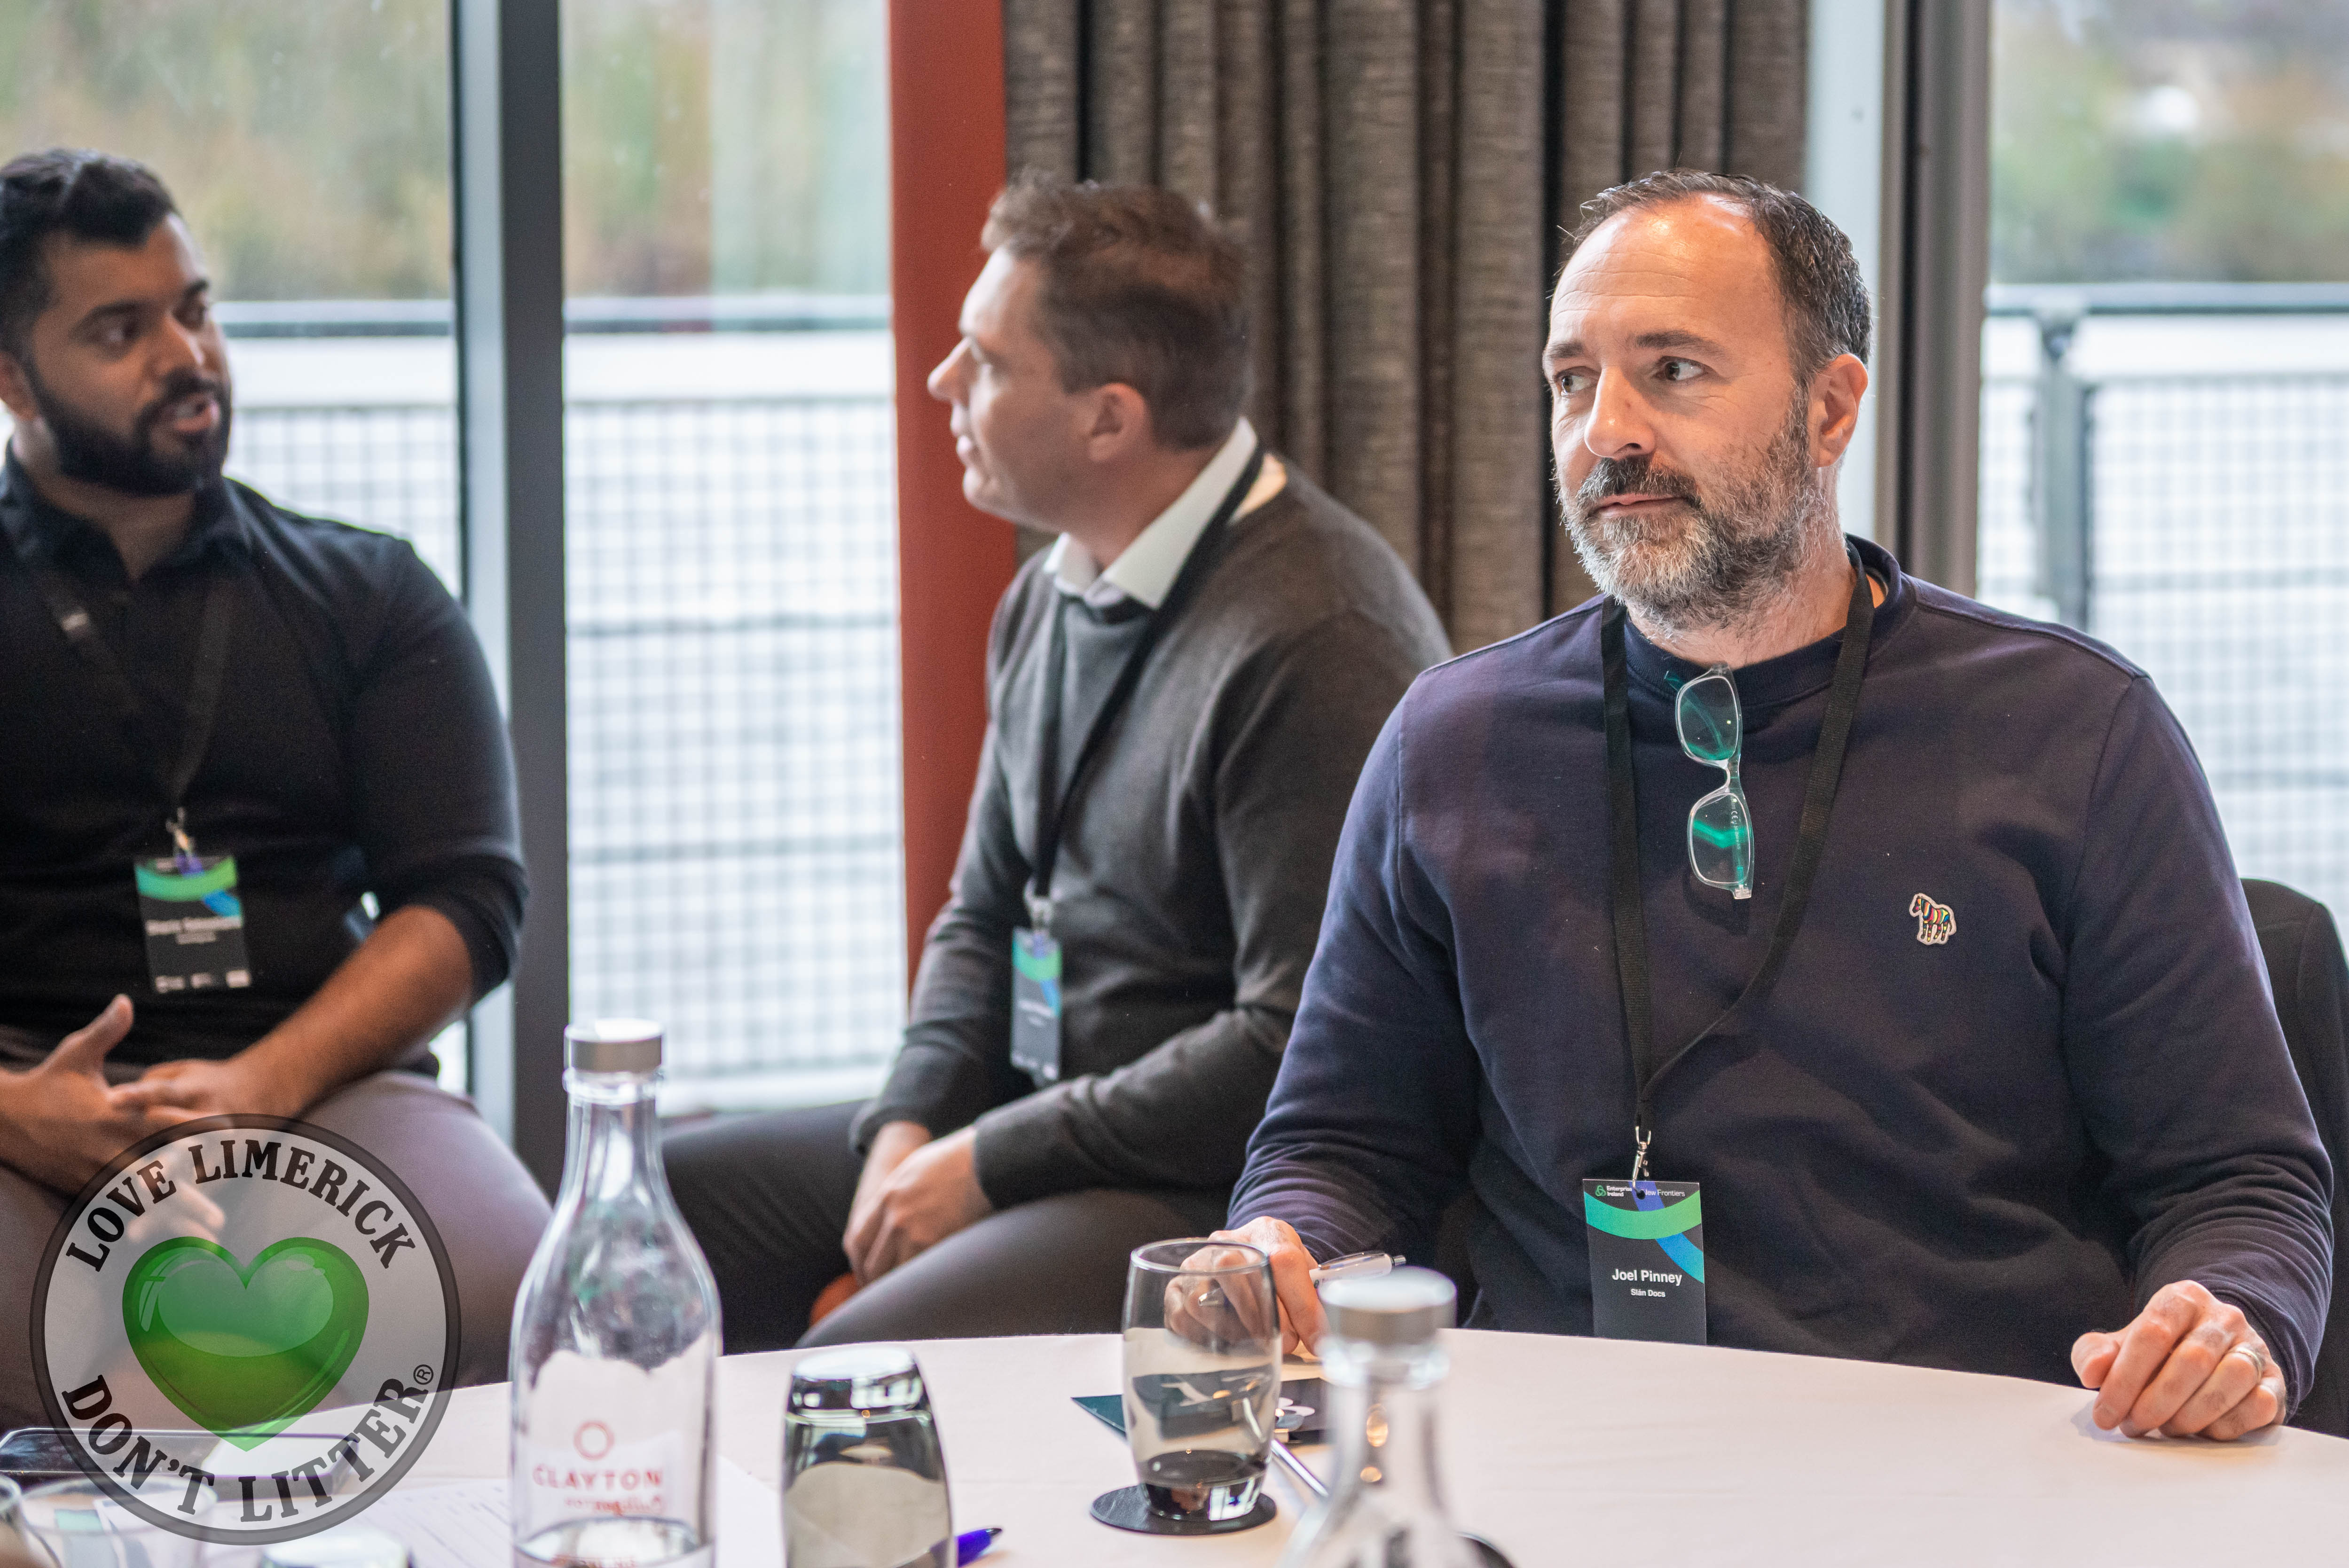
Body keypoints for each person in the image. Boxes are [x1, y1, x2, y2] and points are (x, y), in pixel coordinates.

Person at [1220, 170, 2332, 1443]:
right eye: (1572, 380)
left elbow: (2239, 1182)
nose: (1606, 432)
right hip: (1568, 1454)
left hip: (1970, 1460)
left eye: (1673, 371)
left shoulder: (2074, 732)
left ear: (1830, 408)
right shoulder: (1452, 743)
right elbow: (1342, 1149)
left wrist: (2226, 1319)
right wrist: (1282, 1244)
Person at [665, 175, 1450, 1349]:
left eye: (985, 362)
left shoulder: (1321, 639)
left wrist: (990, 1159)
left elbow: (1291, 1039)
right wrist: (909, 1122)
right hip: (1045, 1121)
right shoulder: (1053, 589)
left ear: (1107, 421)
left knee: (858, 1367)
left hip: (1210, 1186)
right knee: (663, 1210)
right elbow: (985, 912)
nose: (943, 383)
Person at [0, 149, 548, 1424]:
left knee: (493, 1288)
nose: (187, 357)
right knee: (50, 1362)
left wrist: (265, 1083)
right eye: (121, 331)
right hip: (22, 1091)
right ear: (12, 376)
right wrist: (17, 1112)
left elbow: (469, 898)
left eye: (194, 310)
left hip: (326, 1081)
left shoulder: (370, 595)